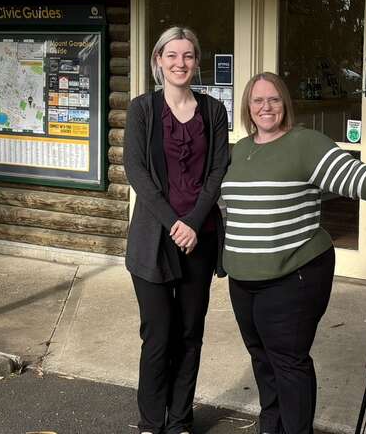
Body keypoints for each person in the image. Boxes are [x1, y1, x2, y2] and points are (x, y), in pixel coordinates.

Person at [222, 72, 366, 434]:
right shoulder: (240, 150)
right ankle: (271, 426)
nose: (266, 107)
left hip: (292, 274)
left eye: (274, 99)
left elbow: (348, 173)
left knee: (288, 361)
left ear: (286, 104)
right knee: (262, 358)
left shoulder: (305, 143)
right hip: (243, 277)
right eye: (257, 100)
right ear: (248, 108)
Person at [123, 26, 230, 434]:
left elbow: (219, 169)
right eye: (172, 55)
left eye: (187, 56)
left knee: (189, 333)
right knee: (158, 334)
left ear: (196, 62)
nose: (180, 63)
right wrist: (174, 223)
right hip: (154, 239)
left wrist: (195, 222)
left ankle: (180, 420)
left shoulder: (213, 111)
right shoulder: (142, 109)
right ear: (158, 61)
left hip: (199, 240)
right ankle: (151, 423)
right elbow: (136, 170)